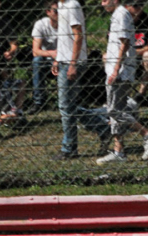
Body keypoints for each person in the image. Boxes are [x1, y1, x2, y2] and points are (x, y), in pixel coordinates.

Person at [96, 0, 148, 164]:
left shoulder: (122, 15)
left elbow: (125, 43)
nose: (102, 4)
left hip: (121, 70)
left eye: (105, 0)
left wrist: (117, 68)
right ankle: (119, 152)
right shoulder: (117, 15)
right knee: (118, 109)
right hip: (115, 68)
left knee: (113, 110)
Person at [53, 0, 111, 159]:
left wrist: (73, 64)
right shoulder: (61, 4)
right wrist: (58, 58)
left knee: (66, 106)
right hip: (65, 61)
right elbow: (63, 37)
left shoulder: (72, 5)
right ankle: (102, 128)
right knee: (68, 106)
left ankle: (69, 148)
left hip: (73, 62)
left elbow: (78, 35)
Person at [127, 0, 148, 97]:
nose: (139, 7)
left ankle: (141, 94)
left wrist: (134, 52)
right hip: (124, 56)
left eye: (141, 4)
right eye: (135, 5)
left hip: (142, 56)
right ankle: (120, 94)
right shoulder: (120, 21)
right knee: (106, 56)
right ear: (126, 6)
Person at [31, 1, 58, 110]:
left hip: (63, 59)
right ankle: (39, 101)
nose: (60, 14)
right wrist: (52, 53)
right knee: (37, 61)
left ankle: (62, 100)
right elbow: (35, 51)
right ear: (48, 12)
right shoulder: (41, 24)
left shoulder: (68, 25)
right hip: (46, 60)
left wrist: (58, 59)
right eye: (56, 11)